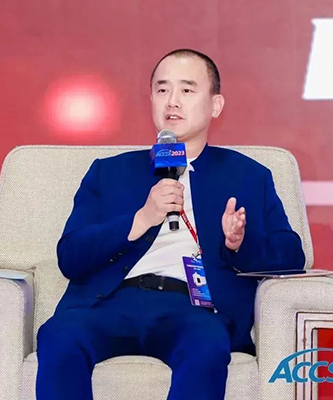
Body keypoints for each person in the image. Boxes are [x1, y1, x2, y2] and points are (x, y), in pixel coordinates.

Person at [36, 48, 305, 400]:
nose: (172, 101)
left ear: (215, 105)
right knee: (58, 335)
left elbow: (292, 256)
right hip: (110, 303)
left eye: (187, 90)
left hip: (194, 309)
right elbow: (70, 257)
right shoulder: (109, 171)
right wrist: (140, 219)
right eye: (162, 90)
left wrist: (240, 243)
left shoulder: (248, 176)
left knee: (207, 343)